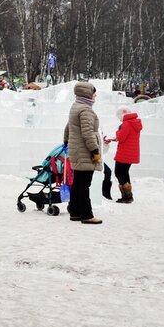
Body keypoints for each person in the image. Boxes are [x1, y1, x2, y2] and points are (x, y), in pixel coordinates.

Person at [63, 82, 102, 224]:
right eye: (94, 93)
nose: (95, 96)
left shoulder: (75, 106)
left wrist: (66, 140)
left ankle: (75, 212)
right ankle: (86, 215)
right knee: (84, 184)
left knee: (78, 183)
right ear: (87, 94)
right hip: (85, 152)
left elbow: (68, 126)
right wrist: (95, 150)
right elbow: (87, 133)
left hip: (76, 149)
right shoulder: (86, 110)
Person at [112, 106, 143, 203]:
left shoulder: (126, 124)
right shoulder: (135, 122)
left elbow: (121, 138)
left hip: (124, 152)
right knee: (124, 172)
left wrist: (118, 131)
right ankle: (127, 196)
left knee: (118, 172)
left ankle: (127, 196)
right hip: (131, 152)